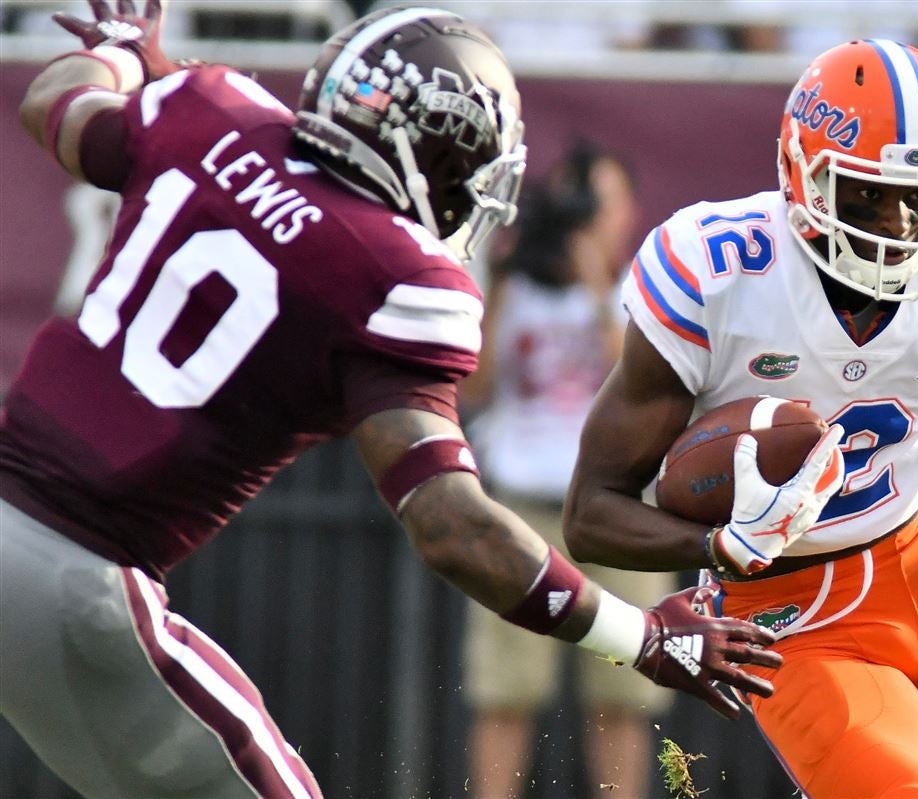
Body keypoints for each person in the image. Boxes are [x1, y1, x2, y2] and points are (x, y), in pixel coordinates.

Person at [0, 4, 784, 797]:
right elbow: (452, 525)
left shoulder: (211, 110)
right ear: (427, 155)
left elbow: (58, 105)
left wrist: (124, 51)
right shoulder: (398, 277)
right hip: (82, 581)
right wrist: (643, 637)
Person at [563, 38, 918, 798]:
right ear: (801, 174)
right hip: (789, 611)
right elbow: (590, 511)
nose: (897, 224)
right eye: (866, 194)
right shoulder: (719, 273)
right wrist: (717, 545)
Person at [460, 141, 674, 798]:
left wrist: (595, 285)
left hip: (618, 512)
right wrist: (494, 283)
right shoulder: (516, 284)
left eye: (600, 204)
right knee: (507, 692)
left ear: (629, 212)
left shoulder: (645, 287)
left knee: (623, 695)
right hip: (523, 510)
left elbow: (642, 379)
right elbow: (474, 389)